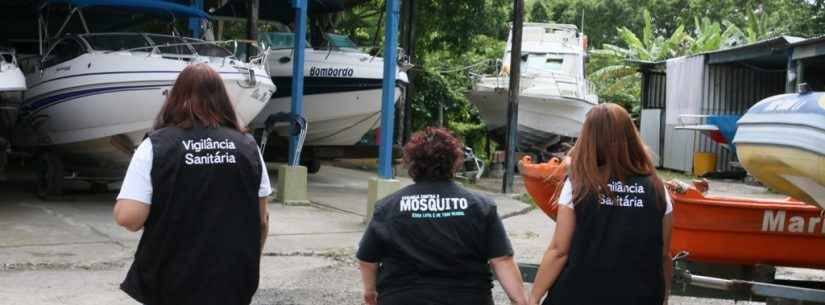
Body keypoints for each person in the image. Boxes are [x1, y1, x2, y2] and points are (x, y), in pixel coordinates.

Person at [113, 64, 272, 305]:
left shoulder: (156, 146)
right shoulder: (248, 147)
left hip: (171, 280)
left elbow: (129, 218)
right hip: (232, 279)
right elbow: (261, 221)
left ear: (175, 98)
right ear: (222, 100)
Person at [357, 127, 528, 305]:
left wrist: (370, 292)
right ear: (455, 162)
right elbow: (501, 259)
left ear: (411, 163)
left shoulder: (388, 207)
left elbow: (368, 260)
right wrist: (520, 300)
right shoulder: (480, 206)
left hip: (403, 297)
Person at [529, 103, 673, 305]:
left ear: (589, 138)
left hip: (577, 295)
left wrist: (534, 297)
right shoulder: (658, 189)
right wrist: (663, 298)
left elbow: (559, 251)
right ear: (631, 136)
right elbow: (663, 256)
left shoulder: (578, 183)